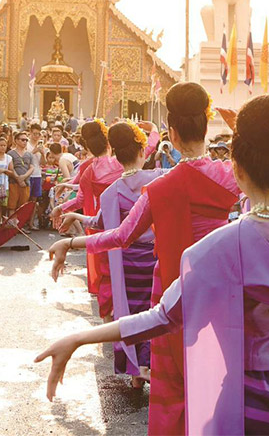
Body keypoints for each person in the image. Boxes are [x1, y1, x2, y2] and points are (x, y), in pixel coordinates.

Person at [37, 96, 269, 434]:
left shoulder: (217, 249)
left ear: (236, 169)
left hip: (252, 393)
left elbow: (162, 316)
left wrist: (79, 337)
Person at [46, 82, 240, 436]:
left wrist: (71, 243)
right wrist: (241, 130)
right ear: (207, 122)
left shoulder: (163, 186)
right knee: (219, 379)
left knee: (177, 390)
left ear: (173, 132)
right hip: (224, 290)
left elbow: (120, 236)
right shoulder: (232, 176)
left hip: (172, 289)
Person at [59, 122, 167, 387]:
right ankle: (150, 363)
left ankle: (135, 374)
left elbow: (100, 222)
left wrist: (76, 215)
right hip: (154, 259)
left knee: (129, 313)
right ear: (142, 152)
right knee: (153, 311)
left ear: (116, 154)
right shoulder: (160, 178)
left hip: (126, 262)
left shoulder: (111, 192)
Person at [7, 131, 34, 215]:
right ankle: (12, 226)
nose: (25, 142)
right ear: (16, 140)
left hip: (26, 183)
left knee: (22, 207)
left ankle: (19, 226)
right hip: (13, 182)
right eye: (22, 140)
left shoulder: (29, 154)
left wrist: (24, 177)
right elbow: (11, 168)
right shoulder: (10, 153)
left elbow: (32, 167)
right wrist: (18, 179)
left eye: (26, 140)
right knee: (12, 206)